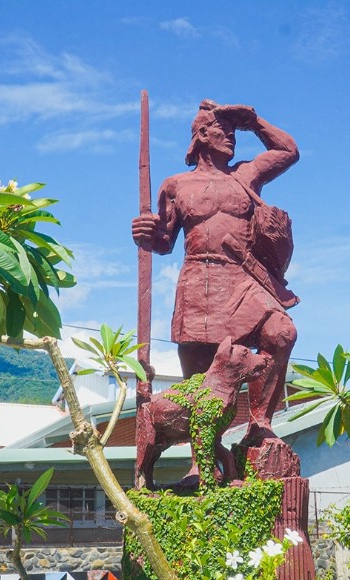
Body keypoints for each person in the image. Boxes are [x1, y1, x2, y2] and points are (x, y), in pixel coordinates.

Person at [132, 100, 299, 445]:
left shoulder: (245, 176)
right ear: (203, 135)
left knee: (281, 333)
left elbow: (288, 151)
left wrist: (254, 122)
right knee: (201, 376)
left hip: (243, 277)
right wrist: (146, 233)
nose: (232, 137)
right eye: (225, 131)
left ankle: (259, 425)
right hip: (199, 281)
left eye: (235, 132)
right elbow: (163, 242)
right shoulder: (176, 185)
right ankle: (203, 458)